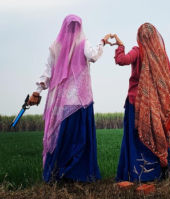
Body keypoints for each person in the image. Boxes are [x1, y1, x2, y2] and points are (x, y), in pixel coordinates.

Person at [27, 14, 110, 182]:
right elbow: (93, 56)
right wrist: (103, 41)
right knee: (80, 139)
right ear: (80, 27)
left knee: (62, 139)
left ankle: (60, 174)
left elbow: (46, 72)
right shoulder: (83, 43)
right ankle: (80, 175)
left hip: (63, 104)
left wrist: (37, 91)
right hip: (81, 103)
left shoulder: (56, 47)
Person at [107, 23, 170, 182]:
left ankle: (138, 174)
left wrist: (120, 45)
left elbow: (121, 60)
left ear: (139, 37)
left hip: (136, 104)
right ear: (155, 37)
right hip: (156, 107)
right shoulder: (160, 56)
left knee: (136, 139)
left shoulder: (138, 51)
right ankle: (163, 172)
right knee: (158, 137)